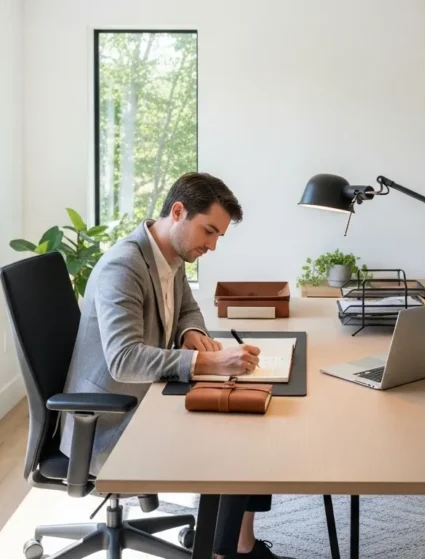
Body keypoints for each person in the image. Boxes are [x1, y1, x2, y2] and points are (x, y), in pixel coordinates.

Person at [58, 172, 290, 559]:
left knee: (251, 414)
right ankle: (222, 552)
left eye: (218, 237)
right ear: (178, 212)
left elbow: (186, 308)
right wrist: (207, 361)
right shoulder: (124, 266)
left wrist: (190, 332)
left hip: (149, 398)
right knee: (234, 438)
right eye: (209, 232)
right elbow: (124, 359)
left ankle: (241, 544)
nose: (212, 246)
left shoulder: (170, 253)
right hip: (108, 421)